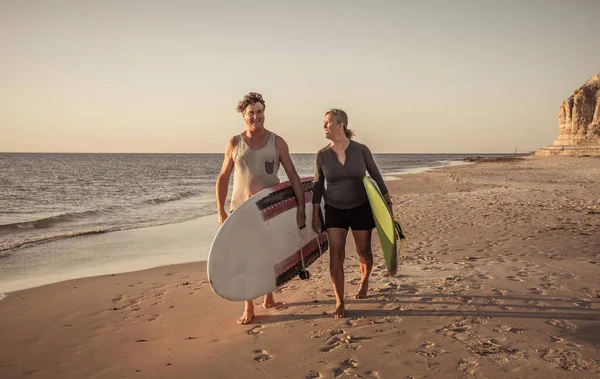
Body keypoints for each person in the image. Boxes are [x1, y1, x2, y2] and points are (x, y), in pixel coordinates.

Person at [216, 92, 306, 325]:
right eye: (251, 113)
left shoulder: (277, 142)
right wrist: (221, 211)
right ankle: (249, 306)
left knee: (270, 254)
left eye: (260, 112)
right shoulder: (235, 143)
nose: (256, 117)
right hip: (241, 211)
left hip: (271, 209)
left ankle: (268, 299)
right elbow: (223, 178)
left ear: (264, 113)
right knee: (246, 257)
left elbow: (293, 176)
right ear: (243, 116)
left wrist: (300, 208)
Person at [311, 109, 392, 318]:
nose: (324, 127)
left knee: (363, 250)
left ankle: (364, 281)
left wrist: (388, 202)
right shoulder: (322, 155)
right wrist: (314, 213)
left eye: (328, 123)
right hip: (334, 209)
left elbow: (376, 176)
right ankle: (340, 300)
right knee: (336, 253)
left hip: (360, 206)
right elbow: (318, 187)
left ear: (341, 125)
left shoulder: (361, 150)